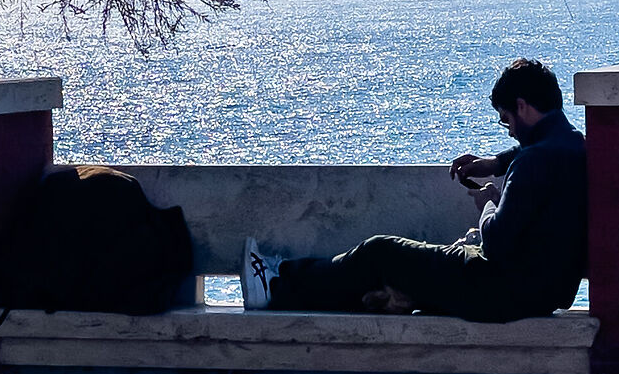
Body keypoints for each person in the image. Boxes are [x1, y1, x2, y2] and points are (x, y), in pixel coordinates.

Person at [243, 58, 586, 323]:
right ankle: (392, 294)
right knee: (390, 277)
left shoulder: (534, 163)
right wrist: (495, 163)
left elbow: (496, 241)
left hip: (496, 290)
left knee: (381, 252)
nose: (509, 130)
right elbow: (537, 155)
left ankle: (276, 285)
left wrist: (487, 204)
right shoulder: (578, 148)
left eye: (506, 118)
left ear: (523, 106)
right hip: (542, 293)